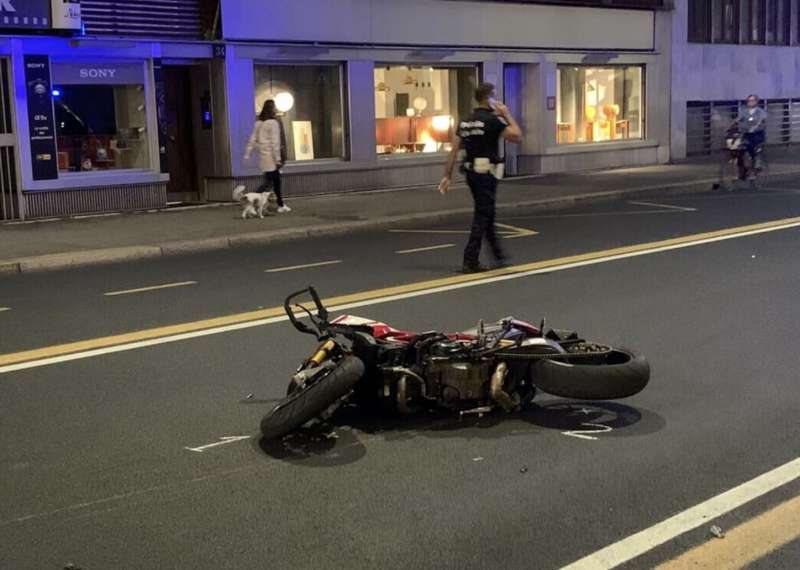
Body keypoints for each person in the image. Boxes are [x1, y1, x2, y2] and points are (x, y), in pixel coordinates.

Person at [438, 83, 523, 273]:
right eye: (494, 96)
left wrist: (446, 176)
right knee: (483, 215)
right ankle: (470, 259)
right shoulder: (491, 120)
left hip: (471, 173)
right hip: (487, 174)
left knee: (487, 213)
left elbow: (453, 150)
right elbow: (517, 136)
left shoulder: (466, 121)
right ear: (488, 98)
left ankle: (498, 255)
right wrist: (506, 114)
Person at [244, 100, 291, 213]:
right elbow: (275, 143)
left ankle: (260, 203)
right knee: (273, 182)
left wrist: (247, 153)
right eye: (275, 107)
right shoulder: (273, 123)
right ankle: (276, 205)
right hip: (271, 158)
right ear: (272, 109)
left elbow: (252, 139)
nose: (276, 109)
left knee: (270, 181)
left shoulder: (258, 123)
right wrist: (278, 159)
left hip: (263, 157)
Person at [736, 94, 767, 179]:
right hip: (746, 133)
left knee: (753, 148)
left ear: (756, 102)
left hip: (757, 134)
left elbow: (761, 120)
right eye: (749, 100)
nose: (750, 102)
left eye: (752, 100)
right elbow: (738, 119)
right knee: (740, 149)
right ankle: (743, 170)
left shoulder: (760, 111)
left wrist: (755, 127)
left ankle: (757, 165)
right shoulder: (744, 111)